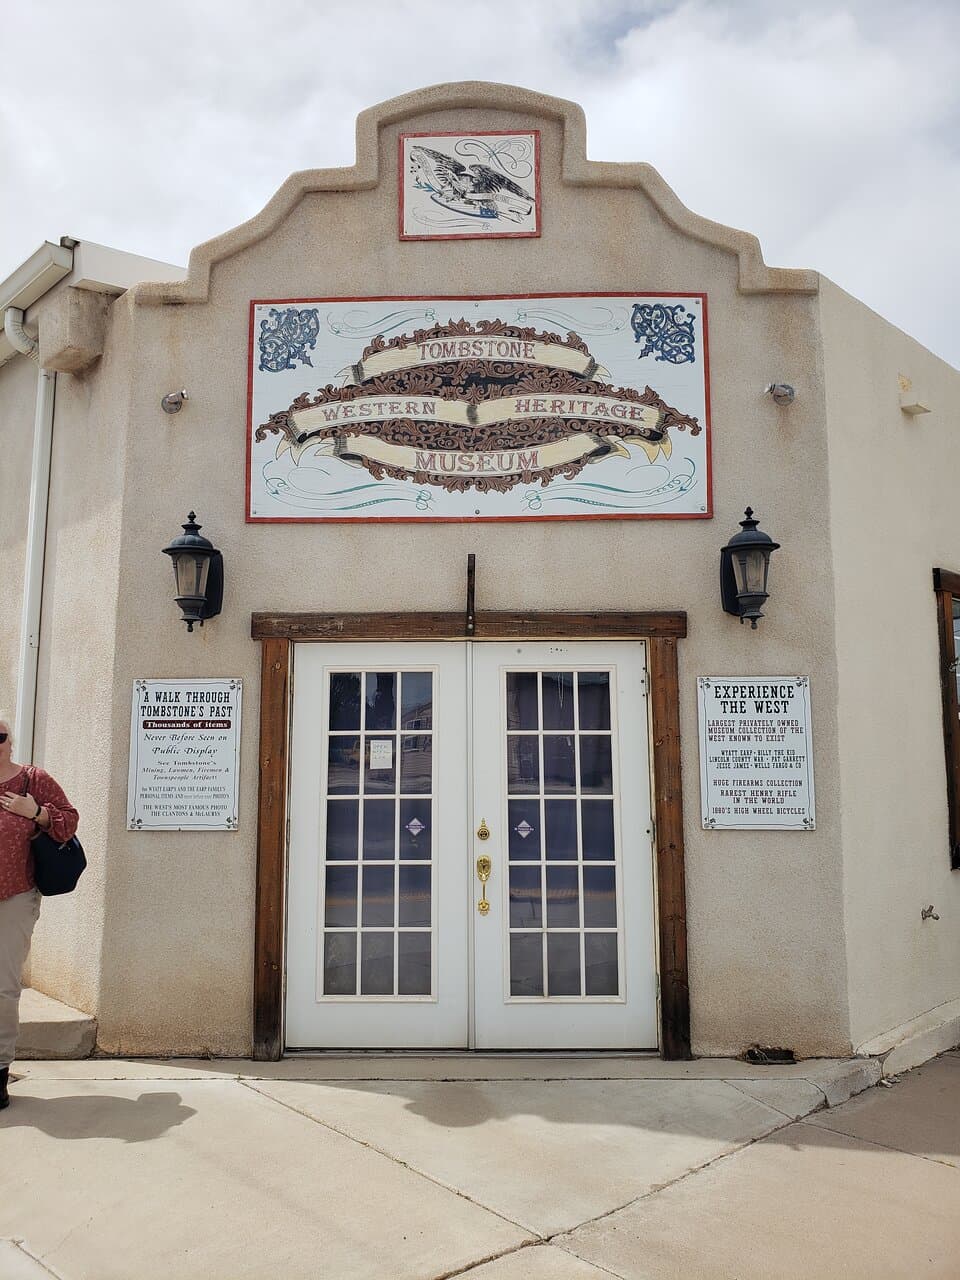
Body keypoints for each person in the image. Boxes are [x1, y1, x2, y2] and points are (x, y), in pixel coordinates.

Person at [0, 711, 78, 1109]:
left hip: (14, 897)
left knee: (3, 987)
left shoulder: (33, 780)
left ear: (10, 741)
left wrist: (36, 813)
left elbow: (69, 822)